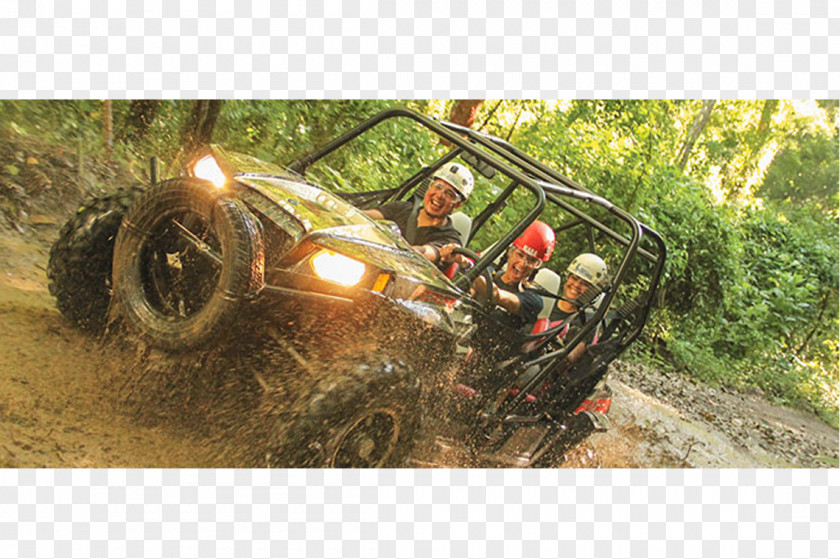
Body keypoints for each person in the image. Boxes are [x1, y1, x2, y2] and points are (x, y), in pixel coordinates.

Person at [364, 163, 474, 266]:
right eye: (438, 186)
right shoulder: (401, 208)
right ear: (429, 187)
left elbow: (428, 252)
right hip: (367, 262)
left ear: (457, 205)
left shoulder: (449, 239)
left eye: (449, 194)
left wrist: (399, 253)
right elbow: (365, 216)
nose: (440, 195)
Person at [471, 220, 556, 331]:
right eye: (520, 255)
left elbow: (497, 296)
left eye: (531, 260)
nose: (522, 264)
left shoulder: (533, 301)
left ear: (537, 265)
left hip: (493, 345)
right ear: (509, 253)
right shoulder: (487, 273)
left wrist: (471, 273)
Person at [549, 253, 609, 364]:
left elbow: (570, 358)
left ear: (593, 291)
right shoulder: (547, 302)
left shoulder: (587, 324)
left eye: (585, 284)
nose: (576, 285)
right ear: (568, 277)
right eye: (574, 278)